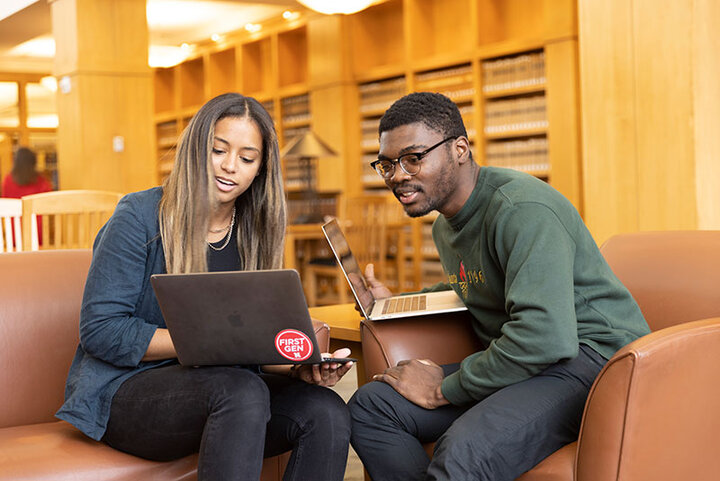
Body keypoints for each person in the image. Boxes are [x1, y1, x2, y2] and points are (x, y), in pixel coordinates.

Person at [348, 92, 651, 481]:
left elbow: (545, 336)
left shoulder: (522, 210)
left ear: (459, 149)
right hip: (525, 361)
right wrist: (396, 302)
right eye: (387, 164)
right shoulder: (446, 225)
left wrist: (446, 388)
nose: (398, 175)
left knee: (463, 451)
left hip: (591, 362)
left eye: (413, 158)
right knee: (372, 406)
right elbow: (475, 285)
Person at [56, 93, 353, 481]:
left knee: (325, 410)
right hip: (128, 393)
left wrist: (300, 367)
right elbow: (101, 330)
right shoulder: (140, 216)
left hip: (229, 391)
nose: (230, 167)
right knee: (240, 390)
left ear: (261, 169)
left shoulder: (254, 231)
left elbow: (252, 341)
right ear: (197, 148)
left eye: (247, 159)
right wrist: (207, 343)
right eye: (218, 150)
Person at [2, 146, 53, 247]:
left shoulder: (7, 181)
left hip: (13, 234)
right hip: (38, 233)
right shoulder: (42, 181)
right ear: (33, 163)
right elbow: (50, 206)